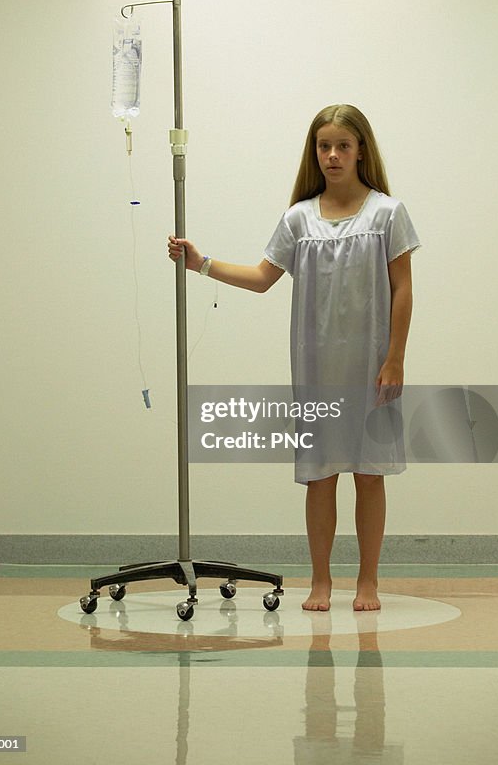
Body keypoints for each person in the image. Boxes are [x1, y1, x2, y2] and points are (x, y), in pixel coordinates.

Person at [168, 104, 420, 612]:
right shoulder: (299, 219)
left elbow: (403, 289)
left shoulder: (387, 214)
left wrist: (394, 358)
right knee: (321, 473)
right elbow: (263, 279)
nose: (332, 155)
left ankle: (367, 581)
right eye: (324, 146)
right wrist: (203, 264)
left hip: (372, 369)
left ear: (360, 151)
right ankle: (321, 581)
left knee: (369, 475)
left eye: (342, 146)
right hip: (317, 372)